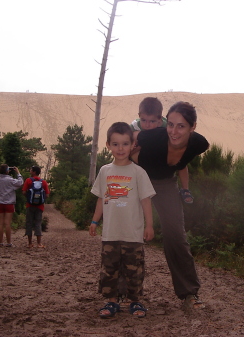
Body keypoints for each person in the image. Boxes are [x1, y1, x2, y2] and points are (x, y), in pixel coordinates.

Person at [131, 101, 209, 309]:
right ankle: (125, 293)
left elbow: (183, 163)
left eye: (181, 126)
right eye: (171, 124)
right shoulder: (154, 136)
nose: (173, 132)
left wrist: (185, 186)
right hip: (139, 180)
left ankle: (189, 294)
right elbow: (128, 137)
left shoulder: (199, 144)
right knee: (130, 233)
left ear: (192, 127)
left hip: (165, 184)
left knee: (176, 235)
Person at [89, 122, 156, 319]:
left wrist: (149, 225)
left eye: (125, 144)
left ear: (132, 145)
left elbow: (145, 200)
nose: (120, 149)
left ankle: (135, 302)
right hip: (110, 232)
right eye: (116, 144)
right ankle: (111, 302)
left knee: (133, 269)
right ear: (108, 144)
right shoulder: (104, 171)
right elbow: (102, 198)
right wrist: (94, 221)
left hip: (133, 233)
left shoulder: (138, 172)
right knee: (109, 269)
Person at [130, 97, 194, 204]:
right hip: (144, 164)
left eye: (152, 121)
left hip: (164, 158)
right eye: (144, 120)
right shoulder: (134, 126)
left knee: (181, 161)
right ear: (139, 116)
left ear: (160, 120)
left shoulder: (166, 126)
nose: (147, 125)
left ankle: (185, 189)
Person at [0, 164, 24, 247]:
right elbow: (20, 182)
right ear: (7, 171)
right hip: (9, 203)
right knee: (7, 223)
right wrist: (18, 172)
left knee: (0, 223)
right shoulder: (10, 180)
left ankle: (1, 242)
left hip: (0, 203)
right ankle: (8, 242)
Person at [22, 166, 50, 248]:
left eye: (31, 170)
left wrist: (29, 197)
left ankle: (30, 243)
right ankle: (39, 243)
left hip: (29, 205)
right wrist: (40, 199)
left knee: (29, 223)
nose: (30, 171)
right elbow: (47, 195)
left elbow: (23, 192)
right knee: (38, 223)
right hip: (40, 206)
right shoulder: (43, 182)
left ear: (34, 172)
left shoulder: (28, 180)